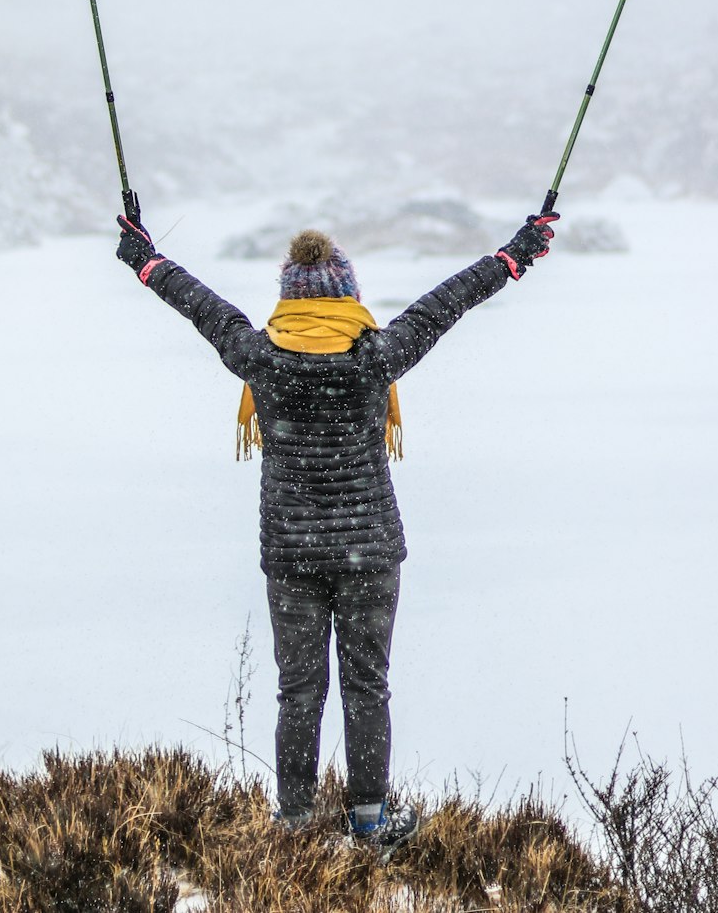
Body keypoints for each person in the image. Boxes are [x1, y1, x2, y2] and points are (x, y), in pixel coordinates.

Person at [116, 207, 559, 850]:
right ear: (348, 293)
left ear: (287, 299)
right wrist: (514, 257)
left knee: (298, 690)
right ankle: (370, 820)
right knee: (366, 686)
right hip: (368, 548)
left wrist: (144, 259)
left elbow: (200, 304)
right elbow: (447, 302)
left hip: (291, 552)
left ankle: (294, 822)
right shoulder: (375, 355)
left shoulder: (259, 356)